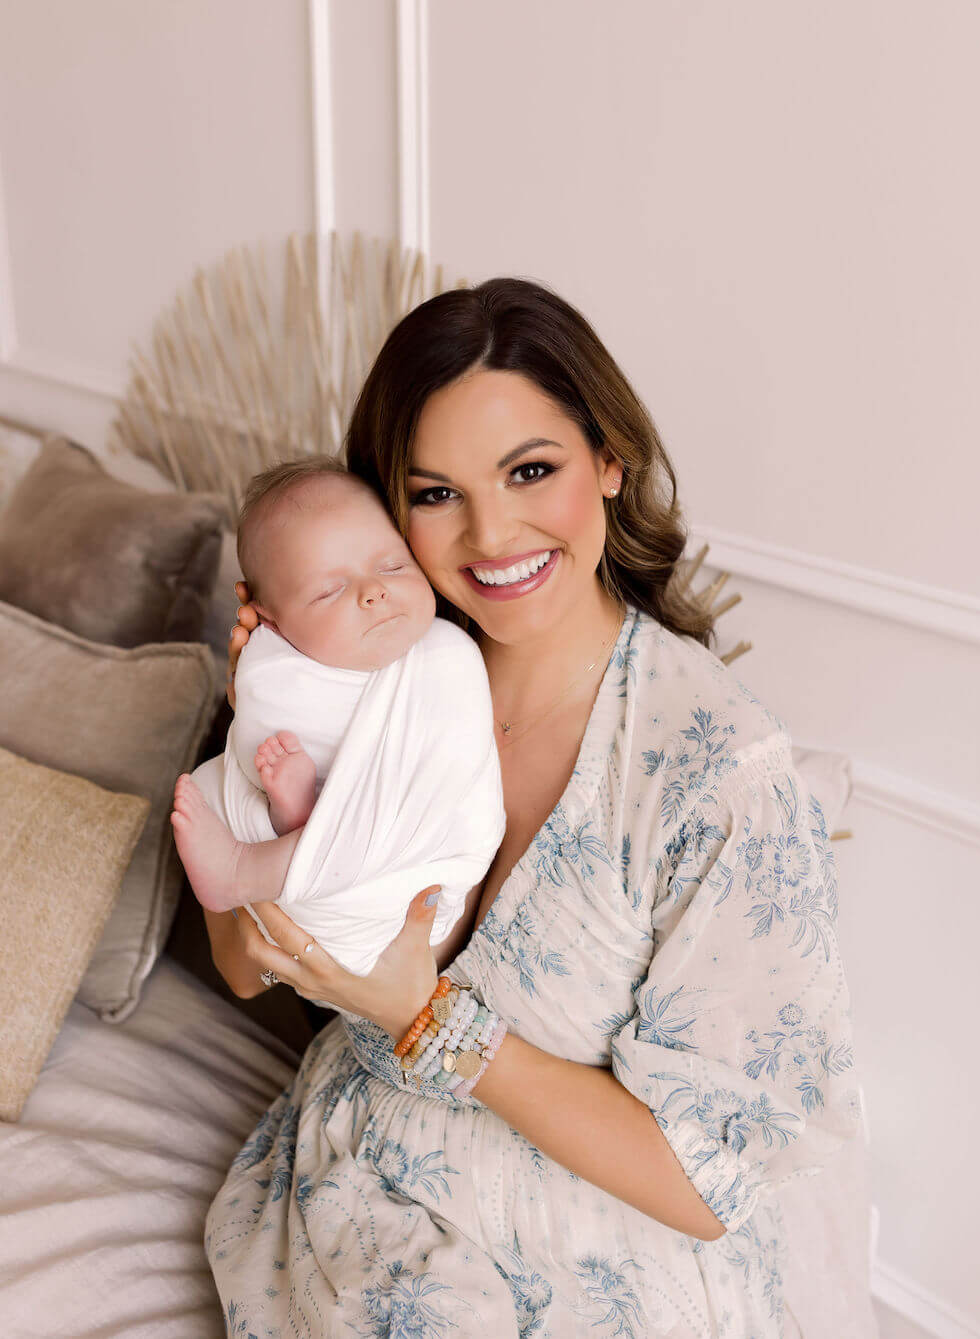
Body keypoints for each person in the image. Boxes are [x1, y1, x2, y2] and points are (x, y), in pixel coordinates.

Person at [201, 277, 877, 1337]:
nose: (489, 533)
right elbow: (245, 965)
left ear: (609, 461)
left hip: (583, 1260)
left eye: (529, 471)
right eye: (433, 495)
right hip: (357, 1200)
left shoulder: (715, 773)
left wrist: (429, 1022)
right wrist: (270, 721)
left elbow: (709, 1182)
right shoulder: (385, 661)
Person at [170, 457, 505, 976]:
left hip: (408, 903)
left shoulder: (447, 659)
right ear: (272, 620)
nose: (374, 591)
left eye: (393, 566)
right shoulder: (278, 671)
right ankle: (302, 820)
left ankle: (254, 865)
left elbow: (435, 799)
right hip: (316, 920)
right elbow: (243, 977)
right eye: (329, 591)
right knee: (222, 782)